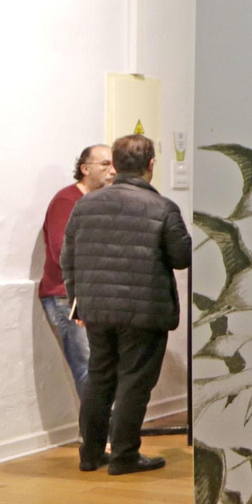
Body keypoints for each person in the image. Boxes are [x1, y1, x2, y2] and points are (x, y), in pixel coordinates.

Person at [61, 134, 190, 476]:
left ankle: (90, 455)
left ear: (115, 166)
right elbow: (181, 257)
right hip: (144, 311)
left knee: (99, 378)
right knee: (134, 382)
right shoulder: (162, 208)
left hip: (96, 309)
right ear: (150, 165)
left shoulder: (84, 205)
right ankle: (124, 456)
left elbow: (67, 259)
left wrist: (80, 302)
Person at [40, 144, 115, 401]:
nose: (112, 171)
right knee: (87, 366)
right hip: (66, 296)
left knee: (103, 366)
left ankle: (107, 429)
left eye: (114, 164)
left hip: (95, 294)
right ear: (85, 169)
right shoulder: (67, 201)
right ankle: (97, 434)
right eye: (105, 164)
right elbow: (62, 252)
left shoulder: (105, 202)